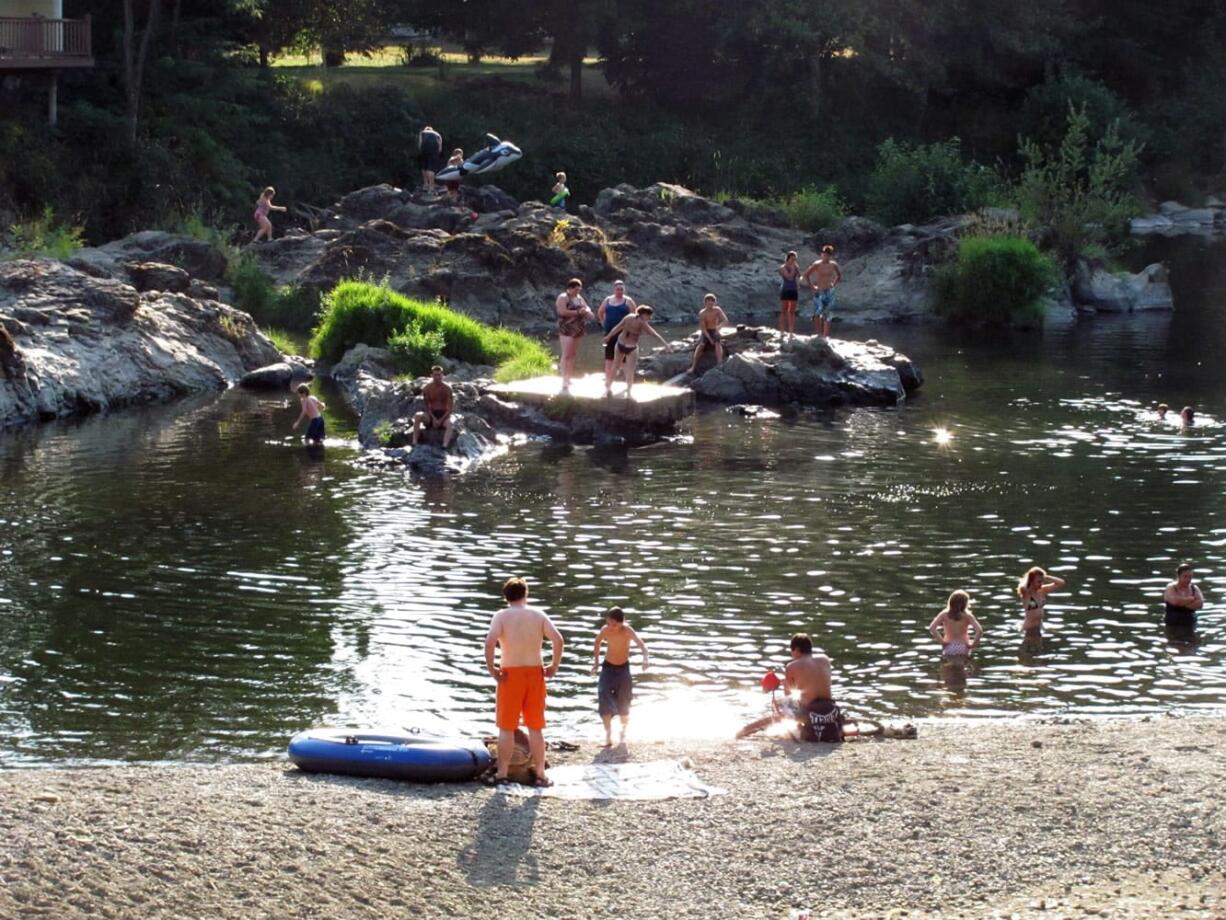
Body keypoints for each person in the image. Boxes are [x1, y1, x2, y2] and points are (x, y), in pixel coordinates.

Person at [484, 577, 564, 786]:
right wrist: (553, 666)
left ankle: (502, 774)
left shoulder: (501, 616)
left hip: (511, 674)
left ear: (506, 597)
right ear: (525, 594)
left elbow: (490, 642)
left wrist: (493, 670)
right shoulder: (538, 615)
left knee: (507, 727)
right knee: (535, 727)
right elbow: (558, 640)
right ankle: (540, 774)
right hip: (535, 673)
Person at [591, 607, 649, 747]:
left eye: (615, 624)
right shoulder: (605, 630)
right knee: (603, 694)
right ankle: (608, 737)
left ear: (622, 622)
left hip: (623, 668)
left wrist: (645, 658)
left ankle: (623, 735)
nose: (611, 627)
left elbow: (643, 646)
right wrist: (596, 662)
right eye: (609, 623)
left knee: (624, 701)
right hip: (608, 667)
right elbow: (597, 642)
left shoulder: (627, 630)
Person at [782, 634, 843, 742]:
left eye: (792, 650)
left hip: (810, 712)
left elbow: (789, 696)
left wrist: (784, 684)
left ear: (796, 649)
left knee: (784, 703)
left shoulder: (791, 666)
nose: (792, 654)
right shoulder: (825, 659)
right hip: (829, 707)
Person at [603, 305, 669, 398]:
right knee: (630, 369)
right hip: (631, 347)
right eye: (649, 316)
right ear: (644, 314)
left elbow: (617, 328)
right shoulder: (642, 323)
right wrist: (666, 344)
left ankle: (609, 387)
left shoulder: (628, 317)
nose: (650, 318)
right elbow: (654, 334)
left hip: (620, 344)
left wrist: (608, 337)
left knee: (615, 366)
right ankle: (629, 390)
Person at [555, 278, 593, 393]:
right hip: (567, 328)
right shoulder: (563, 297)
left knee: (572, 355)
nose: (578, 292)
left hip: (578, 329)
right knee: (566, 354)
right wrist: (577, 313)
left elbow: (586, 307)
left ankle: (568, 378)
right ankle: (564, 381)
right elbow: (561, 311)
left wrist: (588, 312)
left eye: (579, 289)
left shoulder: (579, 297)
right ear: (570, 288)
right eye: (576, 289)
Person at [597, 280, 637, 384]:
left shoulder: (628, 301)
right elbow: (600, 312)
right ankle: (608, 382)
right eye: (618, 289)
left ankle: (627, 382)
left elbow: (635, 317)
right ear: (614, 289)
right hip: (609, 333)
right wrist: (603, 323)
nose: (619, 291)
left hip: (624, 334)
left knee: (624, 359)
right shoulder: (608, 300)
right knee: (609, 358)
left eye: (621, 289)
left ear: (624, 290)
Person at [928, 590, 984, 658]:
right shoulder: (967, 616)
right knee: (962, 666)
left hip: (949, 646)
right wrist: (973, 644)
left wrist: (942, 642)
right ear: (965, 604)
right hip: (963, 647)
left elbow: (932, 628)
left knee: (947, 667)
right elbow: (979, 631)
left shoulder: (944, 614)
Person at [802, 244, 842, 338]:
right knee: (817, 312)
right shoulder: (817, 264)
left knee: (828, 313)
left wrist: (834, 284)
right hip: (819, 290)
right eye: (824, 255)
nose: (826, 257)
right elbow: (806, 275)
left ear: (830, 256)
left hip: (829, 291)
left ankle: (825, 335)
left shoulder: (833, 265)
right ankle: (819, 334)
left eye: (828, 255)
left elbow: (839, 275)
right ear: (822, 254)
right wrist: (812, 287)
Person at [411, 365, 455, 448]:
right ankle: (414, 442)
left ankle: (444, 445)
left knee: (451, 423)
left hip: (444, 415)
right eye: (435, 375)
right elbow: (427, 406)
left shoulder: (448, 388)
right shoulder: (427, 388)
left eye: (439, 375)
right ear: (431, 376)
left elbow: (450, 408)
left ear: (443, 375)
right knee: (418, 416)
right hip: (431, 415)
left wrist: (440, 420)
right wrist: (434, 418)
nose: (437, 377)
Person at [1018, 566, 1066, 639]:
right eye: (1038, 581)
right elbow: (1022, 587)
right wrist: (1029, 577)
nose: (1041, 583)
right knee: (1027, 649)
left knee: (1039, 649)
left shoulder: (1043, 590)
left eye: (1042, 581)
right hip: (1029, 628)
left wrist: (1046, 576)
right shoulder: (1026, 593)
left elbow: (1061, 583)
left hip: (1039, 627)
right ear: (1031, 581)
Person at [687, 293, 728, 375]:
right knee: (701, 345)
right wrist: (709, 338)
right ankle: (693, 366)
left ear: (714, 303)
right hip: (706, 331)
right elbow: (703, 328)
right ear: (705, 303)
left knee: (717, 343)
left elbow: (725, 320)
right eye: (709, 303)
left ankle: (720, 363)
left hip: (715, 329)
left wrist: (718, 328)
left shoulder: (717, 310)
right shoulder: (702, 313)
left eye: (712, 303)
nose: (710, 305)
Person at [1163, 563, 1204, 630]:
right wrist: (1191, 599)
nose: (1188, 579)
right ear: (1178, 576)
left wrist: (1182, 603)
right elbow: (1175, 601)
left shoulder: (1194, 588)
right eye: (1185, 576)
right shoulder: (1171, 587)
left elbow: (1200, 604)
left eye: (1190, 577)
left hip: (1190, 623)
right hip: (1172, 624)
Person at [777, 251, 801, 336]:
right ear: (788, 258)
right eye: (792, 259)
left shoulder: (796, 266)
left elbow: (798, 276)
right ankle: (782, 331)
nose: (793, 261)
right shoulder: (783, 267)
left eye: (795, 259)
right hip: (786, 290)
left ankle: (791, 332)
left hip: (794, 290)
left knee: (792, 312)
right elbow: (789, 277)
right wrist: (793, 269)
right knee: (783, 311)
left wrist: (798, 281)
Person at [418, 124, 443, 193]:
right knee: (431, 167)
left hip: (424, 147)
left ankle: (426, 184)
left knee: (424, 166)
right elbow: (440, 147)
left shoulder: (422, 132)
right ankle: (431, 187)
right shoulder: (436, 134)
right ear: (432, 130)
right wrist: (436, 154)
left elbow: (420, 144)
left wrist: (422, 152)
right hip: (434, 147)